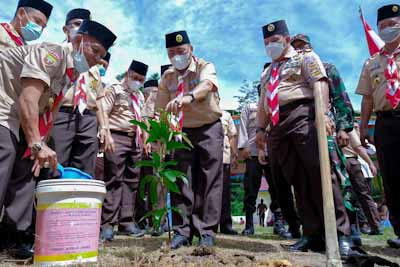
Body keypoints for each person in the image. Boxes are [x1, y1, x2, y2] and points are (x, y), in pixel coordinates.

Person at [0, 18, 116, 258]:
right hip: (6, 106)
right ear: (77, 40)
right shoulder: (52, 53)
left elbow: (49, 110)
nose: (97, 59)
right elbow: (29, 99)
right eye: (94, 51)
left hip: (17, 113)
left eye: (101, 55)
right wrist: (35, 143)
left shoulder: (69, 72)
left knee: (28, 168)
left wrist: (40, 144)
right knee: (5, 155)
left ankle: (12, 237)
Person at [256, 20, 352, 257]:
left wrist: (322, 115)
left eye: (275, 41)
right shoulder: (268, 71)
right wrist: (260, 129)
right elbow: (262, 103)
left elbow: (319, 84)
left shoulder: (305, 58)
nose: (270, 45)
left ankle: (340, 234)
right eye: (266, 42)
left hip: (304, 115)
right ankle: (312, 233)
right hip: (278, 124)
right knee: (297, 179)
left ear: (286, 40)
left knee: (320, 174)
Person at [156, 30, 223, 249]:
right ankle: (181, 232)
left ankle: (206, 233)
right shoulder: (167, 78)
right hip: (180, 133)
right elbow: (161, 111)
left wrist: (189, 97)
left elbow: (206, 86)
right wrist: (161, 137)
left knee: (208, 181)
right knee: (181, 181)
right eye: (172, 52)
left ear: (191, 50)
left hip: (208, 128)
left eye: (181, 51)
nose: (177, 56)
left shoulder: (205, 66)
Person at [356, 3, 400, 249]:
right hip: (385, 122)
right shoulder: (371, 62)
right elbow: (367, 98)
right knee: (392, 179)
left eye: (392, 24)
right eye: (382, 26)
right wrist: (363, 127)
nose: (387, 29)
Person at [51, 8, 110, 178]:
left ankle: (78, 204)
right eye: (77, 24)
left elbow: (99, 100)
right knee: (55, 165)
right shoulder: (57, 52)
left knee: (85, 169)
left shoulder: (95, 66)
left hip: (88, 119)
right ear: (65, 29)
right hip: (61, 114)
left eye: (84, 26)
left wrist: (104, 127)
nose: (80, 29)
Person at [238, 87, 300, 239]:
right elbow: (243, 127)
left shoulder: (279, 106)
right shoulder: (250, 107)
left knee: (278, 188)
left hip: (274, 153)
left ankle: (279, 223)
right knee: (251, 188)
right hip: (252, 153)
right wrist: (243, 146)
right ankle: (249, 225)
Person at [100, 59, 149, 241]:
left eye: (141, 80)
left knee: (132, 182)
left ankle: (126, 222)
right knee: (114, 179)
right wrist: (106, 134)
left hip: (135, 140)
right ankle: (107, 224)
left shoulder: (140, 96)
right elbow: (104, 110)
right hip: (116, 136)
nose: (137, 82)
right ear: (127, 73)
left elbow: (143, 119)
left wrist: (145, 139)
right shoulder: (114, 88)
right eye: (135, 77)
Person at [219, 110, 239, 235]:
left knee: (224, 193)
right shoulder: (202, 114)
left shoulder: (226, 115)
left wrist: (235, 154)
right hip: (206, 159)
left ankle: (226, 224)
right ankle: (207, 225)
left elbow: (232, 136)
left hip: (223, 157)